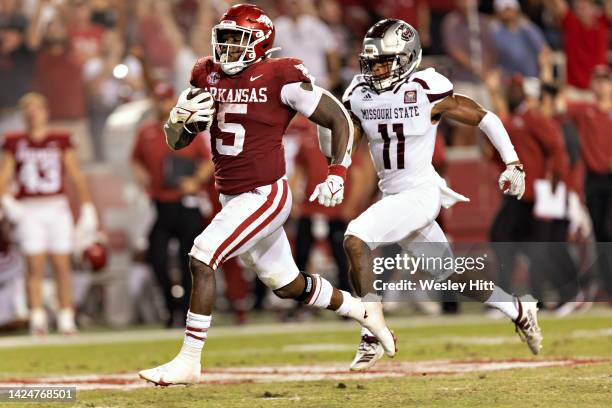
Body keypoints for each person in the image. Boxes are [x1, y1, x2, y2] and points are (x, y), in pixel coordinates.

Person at [138, 4, 394, 386]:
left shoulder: (280, 74)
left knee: (202, 255)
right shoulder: (204, 73)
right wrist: (178, 122)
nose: (227, 47)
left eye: (236, 39)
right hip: (231, 195)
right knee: (286, 283)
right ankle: (364, 311)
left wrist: (337, 172)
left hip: (264, 193)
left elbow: (337, 117)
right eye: (223, 38)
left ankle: (189, 360)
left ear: (260, 43)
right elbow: (178, 142)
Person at [339, 19, 542, 371]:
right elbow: (347, 135)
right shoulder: (359, 90)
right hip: (393, 195)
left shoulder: (425, 87)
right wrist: (336, 171)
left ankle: (371, 332)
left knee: (356, 238)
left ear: (408, 58)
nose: (377, 68)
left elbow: (484, 117)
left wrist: (513, 162)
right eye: (372, 61)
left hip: (420, 192)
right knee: (448, 272)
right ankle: (518, 309)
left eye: (386, 60)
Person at [0, 93, 98, 335]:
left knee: (62, 264)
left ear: (45, 112)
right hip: (29, 208)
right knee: (34, 265)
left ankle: (66, 317)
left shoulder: (60, 139)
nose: (34, 115)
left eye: (37, 109)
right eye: (29, 110)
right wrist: (4, 199)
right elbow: (6, 174)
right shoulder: (15, 141)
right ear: (24, 115)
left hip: (56, 206)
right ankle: (37, 318)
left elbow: (75, 174)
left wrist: (86, 206)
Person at [131, 82, 213, 327]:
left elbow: (208, 161)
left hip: (186, 205)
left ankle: (188, 312)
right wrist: (141, 176)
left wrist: (195, 181)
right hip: (160, 205)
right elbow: (135, 160)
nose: (162, 105)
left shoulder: (189, 127)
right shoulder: (146, 132)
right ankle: (170, 306)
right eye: (158, 100)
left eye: (166, 100)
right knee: (157, 259)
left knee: (192, 261)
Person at [565, 65, 612, 299]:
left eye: (606, 80)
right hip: (594, 179)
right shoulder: (585, 111)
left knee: (608, 227)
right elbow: (560, 103)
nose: (602, 84)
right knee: (601, 233)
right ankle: (607, 285)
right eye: (598, 80)